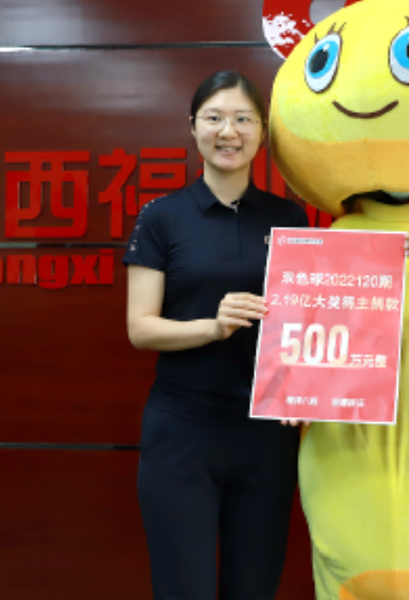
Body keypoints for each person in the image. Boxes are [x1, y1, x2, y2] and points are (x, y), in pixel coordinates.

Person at [124, 70, 309, 600]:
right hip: (182, 431)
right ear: (193, 127)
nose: (229, 132)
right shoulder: (162, 216)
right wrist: (214, 325)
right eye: (215, 118)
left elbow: (308, 319)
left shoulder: (289, 217)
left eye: (243, 119)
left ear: (263, 132)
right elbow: (140, 328)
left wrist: (312, 387)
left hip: (266, 435)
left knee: (254, 588)